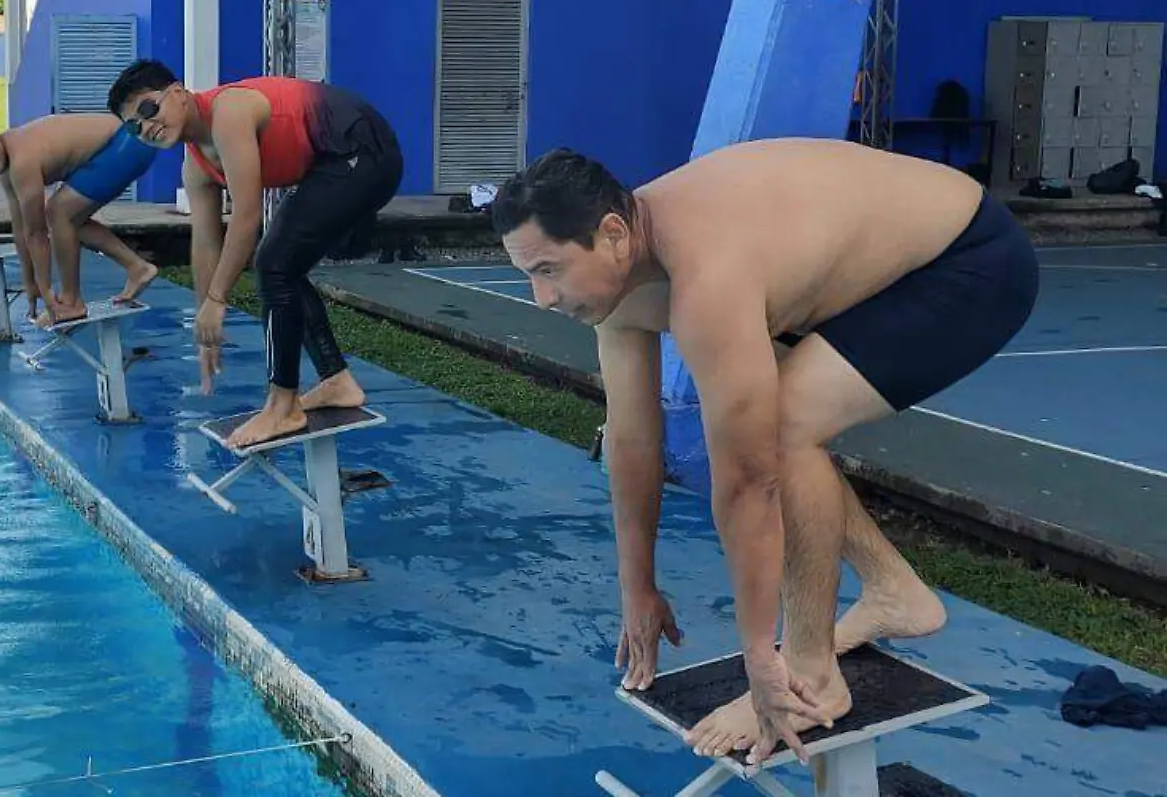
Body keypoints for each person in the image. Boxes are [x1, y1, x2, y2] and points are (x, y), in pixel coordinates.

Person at [487, 138, 1038, 769]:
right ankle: (894, 591)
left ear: (612, 233)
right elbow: (634, 439)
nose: (541, 298)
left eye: (549, 271)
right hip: (863, 263)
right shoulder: (622, 280)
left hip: (970, 261)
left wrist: (761, 659)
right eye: (527, 275)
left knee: (782, 428)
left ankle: (811, 675)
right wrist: (636, 586)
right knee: (777, 413)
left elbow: (749, 485)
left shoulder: (706, 276)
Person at [107, 60, 403, 451]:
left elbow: (246, 217)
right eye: (134, 125)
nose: (146, 126)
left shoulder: (228, 113)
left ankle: (283, 405)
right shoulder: (194, 166)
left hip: (362, 148)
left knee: (274, 262)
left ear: (177, 92)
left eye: (147, 109)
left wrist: (219, 299)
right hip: (330, 162)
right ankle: (336, 381)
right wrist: (204, 325)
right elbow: (206, 244)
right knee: (284, 265)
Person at [0, 115, 159, 327]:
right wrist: (30, 283)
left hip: (127, 143)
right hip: (126, 143)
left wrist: (47, 291)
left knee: (59, 213)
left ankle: (71, 302)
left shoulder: (21, 160)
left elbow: (37, 233)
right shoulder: (9, 169)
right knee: (69, 218)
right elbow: (21, 230)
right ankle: (138, 268)